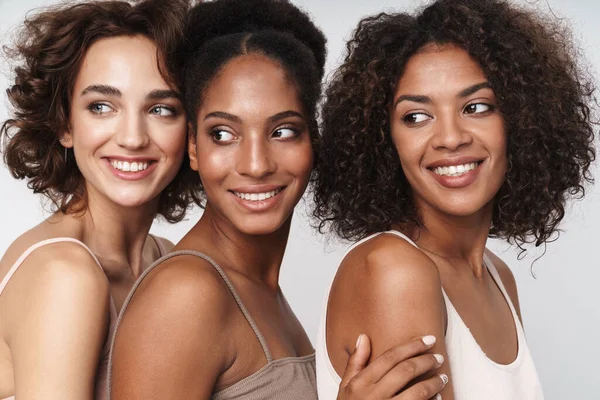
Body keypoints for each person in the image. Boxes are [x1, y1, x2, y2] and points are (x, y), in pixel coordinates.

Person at [108, 0, 448, 399]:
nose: (256, 164)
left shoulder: (263, 293)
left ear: (314, 142)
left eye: (283, 131)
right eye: (223, 134)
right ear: (193, 148)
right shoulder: (185, 294)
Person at [313, 0, 596, 399]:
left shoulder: (498, 277)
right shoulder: (395, 272)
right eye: (415, 116)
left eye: (476, 107)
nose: (450, 137)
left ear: (520, 118)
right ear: (383, 139)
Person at [0, 0, 196, 398]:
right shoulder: (65, 275)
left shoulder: (168, 261)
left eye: (161, 109)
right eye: (101, 107)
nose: (133, 137)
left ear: (192, 129)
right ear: (64, 125)